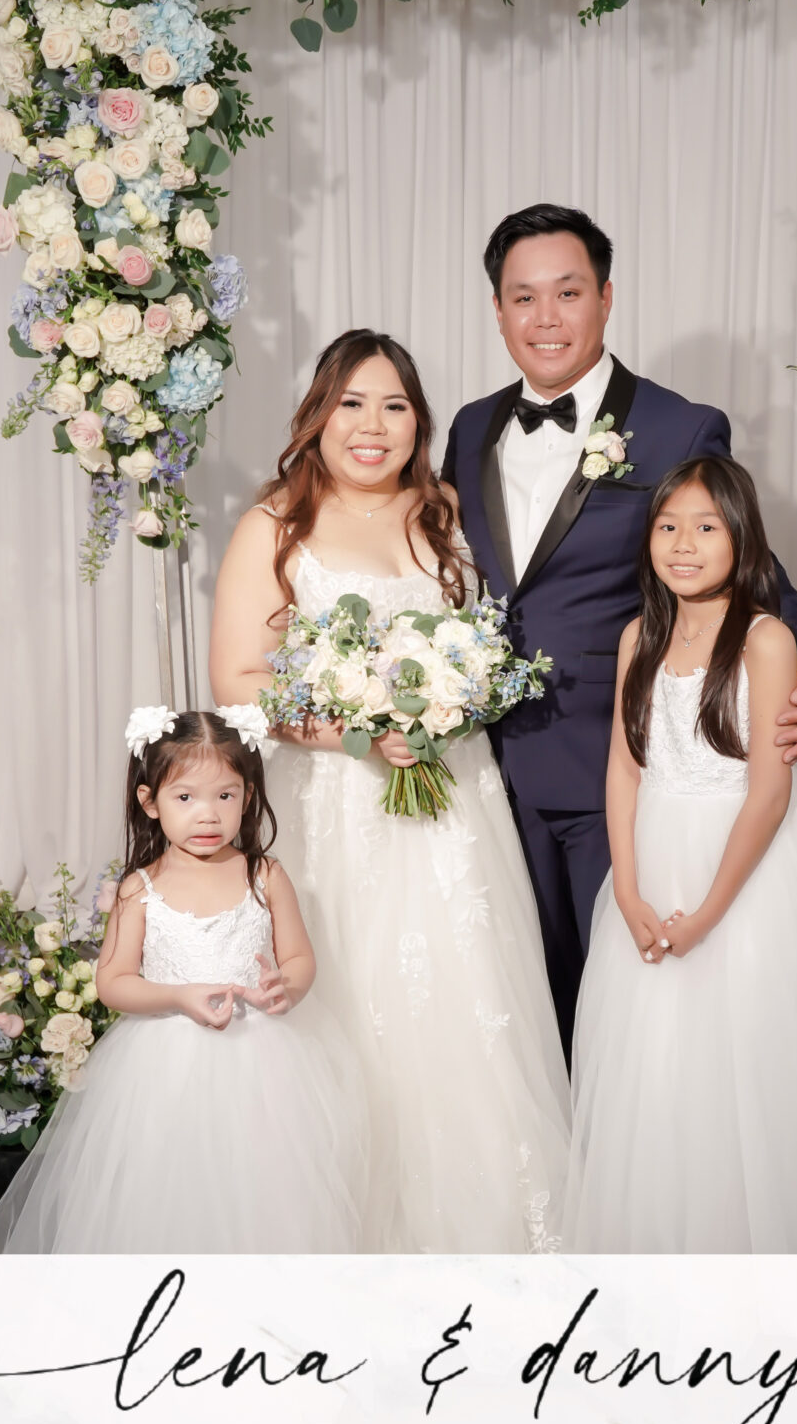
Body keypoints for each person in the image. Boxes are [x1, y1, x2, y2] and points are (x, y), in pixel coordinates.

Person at [439, 205, 797, 1052]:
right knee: (519, 996)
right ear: (498, 310)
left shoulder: (675, 425)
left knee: (627, 1000)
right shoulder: (472, 426)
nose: (546, 318)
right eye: (523, 297)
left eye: (568, 292)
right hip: (489, 759)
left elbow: (750, 560)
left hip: (616, 760)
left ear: (607, 297)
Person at [209, 330, 571, 1253]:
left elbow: (487, 643)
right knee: (343, 1000)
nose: (372, 426)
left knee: (467, 1005)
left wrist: (455, 698)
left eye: (395, 406)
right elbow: (239, 681)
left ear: (420, 421)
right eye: (352, 404)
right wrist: (354, 731)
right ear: (317, 415)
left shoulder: (447, 515)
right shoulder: (275, 524)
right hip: (334, 804)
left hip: (454, 802)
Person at [565, 458, 797, 1253]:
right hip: (654, 852)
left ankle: (756, 1239)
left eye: (706, 527)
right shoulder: (638, 635)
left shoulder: (766, 638)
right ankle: (668, 1235)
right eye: (668, 526)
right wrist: (627, 888)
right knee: (658, 1055)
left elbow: (769, 791)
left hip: (746, 867)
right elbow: (625, 765)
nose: (683, 544)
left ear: (742, 536)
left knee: (751, 1055)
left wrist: (709, 912)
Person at [0, 707, 367, 1253]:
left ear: (248, 796)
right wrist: (179, 997)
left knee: (263, 1181)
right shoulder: (140, 889)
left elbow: (299, 956)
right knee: (172, 1183)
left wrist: (288, 986)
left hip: (265, 1060)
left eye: (225, 796)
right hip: (166, 1065)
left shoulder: (266, 875)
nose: (208, 815)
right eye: (185, 797)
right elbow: (114, 981)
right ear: (150, 802)